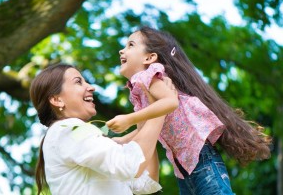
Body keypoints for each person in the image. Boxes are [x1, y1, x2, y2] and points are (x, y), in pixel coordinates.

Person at [106, 26, 272, 195]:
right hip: (183, 168)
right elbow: (144, 132)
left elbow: (170, 101)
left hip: (200, 159)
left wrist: (129, 119)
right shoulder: (138, 91)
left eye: (130, 45)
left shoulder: (148, 76)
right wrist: (121, 140)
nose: (122, 50)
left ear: (150, 57)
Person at [30, 63, 170, 195]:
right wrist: (162, 105)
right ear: (57, 100)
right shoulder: (67, 130)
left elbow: (147, 183)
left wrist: (150, 112)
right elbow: (128, 164)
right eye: (78, 82)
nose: (91, 87)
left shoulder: (73, 135)